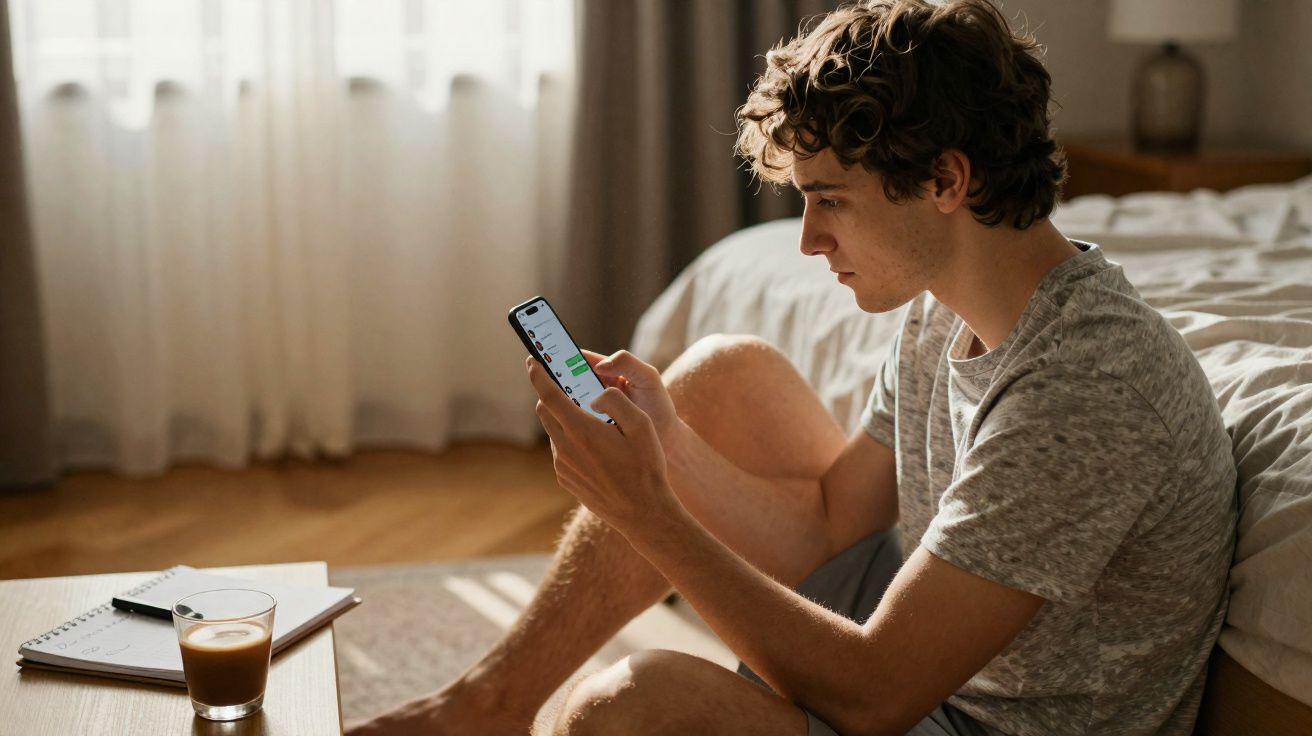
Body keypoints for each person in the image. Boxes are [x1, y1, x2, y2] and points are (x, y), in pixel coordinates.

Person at [348, 1, 1236, 733]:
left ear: (945, 180)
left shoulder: (1087, 386)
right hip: (923, 657)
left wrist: (646, 508)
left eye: (831, 202)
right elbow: (831, 522)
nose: (809, 242)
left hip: (977, 720)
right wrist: (668, 449)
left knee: (626, 710)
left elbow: (878, 692)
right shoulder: (944, 307)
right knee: (719, 379)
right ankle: (488, 705)